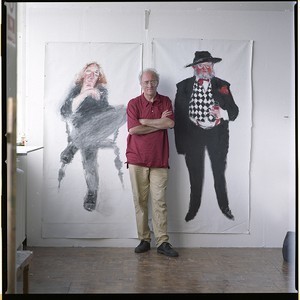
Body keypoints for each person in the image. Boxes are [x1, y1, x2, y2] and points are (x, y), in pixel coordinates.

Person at [174, 51, 239, 222]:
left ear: (212, 67)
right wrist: (181, 146)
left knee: (219, 172)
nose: (205, 68)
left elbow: (234, 112)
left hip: (217, 134)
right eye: (201, 65)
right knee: (195, 174)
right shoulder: (183, 86)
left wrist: (222, 112)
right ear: (194, 68)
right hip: (193, 135)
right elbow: (178, 118)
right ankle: (193, 208)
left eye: (208, 65)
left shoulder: (222, 85)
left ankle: (224, 207)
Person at [58, 62, 126, 212]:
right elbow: (65, 112)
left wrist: (114, 109)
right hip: (80, 129)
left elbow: (104, 113)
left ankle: (73, 146)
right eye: (89, 71)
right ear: (83, 73)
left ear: (98, 78)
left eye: (96, 73)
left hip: (94, 131)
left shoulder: (101, 91)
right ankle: (91, 193)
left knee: (125, 110)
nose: (92, 75)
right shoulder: (75, 90)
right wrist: (85, 94)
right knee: (90, 163)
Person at [126, 68, 178, 257]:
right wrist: (159, 122)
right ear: (141, 83)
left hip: (159, 160)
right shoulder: (133, 103)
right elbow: (133, 130)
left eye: (153, 81)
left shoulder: (165, 101)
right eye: (146, 82)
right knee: (140, 201)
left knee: (159, 202)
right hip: (136, 159)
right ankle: (144, 239)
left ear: (157, 82)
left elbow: (170, 124)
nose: (150, 85)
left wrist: (145, 121)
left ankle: (162, 242)